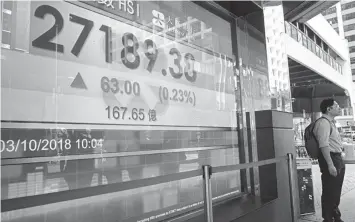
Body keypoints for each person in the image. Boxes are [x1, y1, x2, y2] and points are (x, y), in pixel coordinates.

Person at [313, 98, 345, 222]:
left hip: (337, 158)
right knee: (329, 190)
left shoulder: (331, 122)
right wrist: (330, 165)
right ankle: (327, 219)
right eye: (336, 105)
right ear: (329, 109)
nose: (339, 107)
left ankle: (335, 215)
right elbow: (323, 145)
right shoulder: (323, 123)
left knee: (336, 190)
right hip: (330, 158)